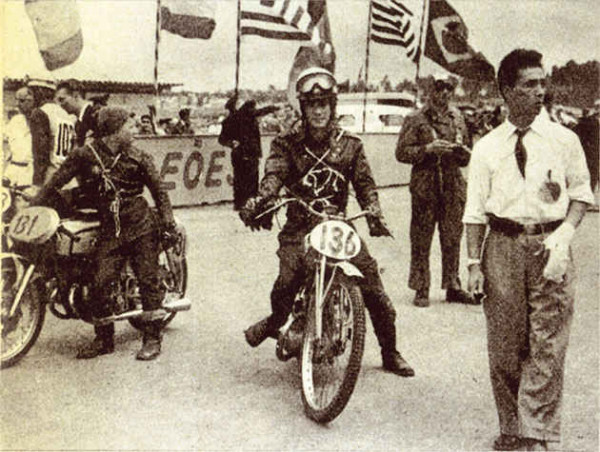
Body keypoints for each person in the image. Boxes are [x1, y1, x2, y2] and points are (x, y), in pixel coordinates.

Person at [239, 67, 414, 377]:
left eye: (324, 104)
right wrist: (260, 200)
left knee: (375, 289)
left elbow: (364, 184)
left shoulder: (350, 145)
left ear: (333, 106)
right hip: (299, 228)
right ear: (303, 108)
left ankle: (390, 351)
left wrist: (373, 208)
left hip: (338, 227)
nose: (318, 111)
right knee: (285, 283)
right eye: (311, 105)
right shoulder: (286, 143)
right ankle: (276, 321)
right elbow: (274, 174)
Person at [464, 49, 594, 451]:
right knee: (504, 346)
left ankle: (535, 433)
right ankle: (511, 428)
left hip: (549, 247)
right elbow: (474, 213)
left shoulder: (564, 139)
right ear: (506, 91)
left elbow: (580, 195)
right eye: (529, 84)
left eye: (542, 82)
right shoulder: (486, 147)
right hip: (501, 247)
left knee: (547, 343)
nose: (540, 91)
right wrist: (472, 264)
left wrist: (565, 235)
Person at [33, 107, 177, 361]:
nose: (134, 131)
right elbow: (57, 180)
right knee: (98, 282)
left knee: (148, 280)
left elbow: (159, 192)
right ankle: (104, 339)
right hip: (111, 228)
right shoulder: (84, 155)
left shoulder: (139, 157)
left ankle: (152, 338)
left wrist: (167, 221)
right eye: (129, 126)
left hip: (141, 225)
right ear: (114, 130)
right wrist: (35, 203)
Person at [395, 74, 476, 307]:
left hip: (452, 185)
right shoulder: (416, 119)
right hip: (426, 185)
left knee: (452, 237)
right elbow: (401, 152)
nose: (445, 94)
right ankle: (421, 286)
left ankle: (452, 284)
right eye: (440, 89)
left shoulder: (457, 117)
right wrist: (427, 149)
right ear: (430, 91)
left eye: (449, 89)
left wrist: (461, 152)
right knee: (421, 238)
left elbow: (467, 152)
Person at [219, 96, 279, 210]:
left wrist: (231, 144)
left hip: (238, 154)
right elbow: (260, 112)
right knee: (251, 179)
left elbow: (222, 139)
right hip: (250, 153)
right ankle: (249, 203)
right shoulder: (246, 117)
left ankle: (240, 203)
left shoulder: (229, 121)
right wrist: (273, 108)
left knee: (239, 179)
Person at [27, 78, 76, 187]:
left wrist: (37, 183)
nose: (31, 97)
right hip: (67, 178)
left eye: (32, 92)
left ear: (39, 91)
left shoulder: (40, 113)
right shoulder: (65, 113)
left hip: (49, 179)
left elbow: (41, 152)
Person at [3, 87, 35, 189]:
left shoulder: (39, 121)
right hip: (12, 171)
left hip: (28, 173)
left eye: (21, 101)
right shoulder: (15, 120)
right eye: (16, 100)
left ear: (32, 101)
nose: (17, 104)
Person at [55, 78, 100, 147]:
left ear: (76, 95)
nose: (60, 104)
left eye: (62, 99)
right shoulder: (79, 122)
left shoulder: (95, 115)